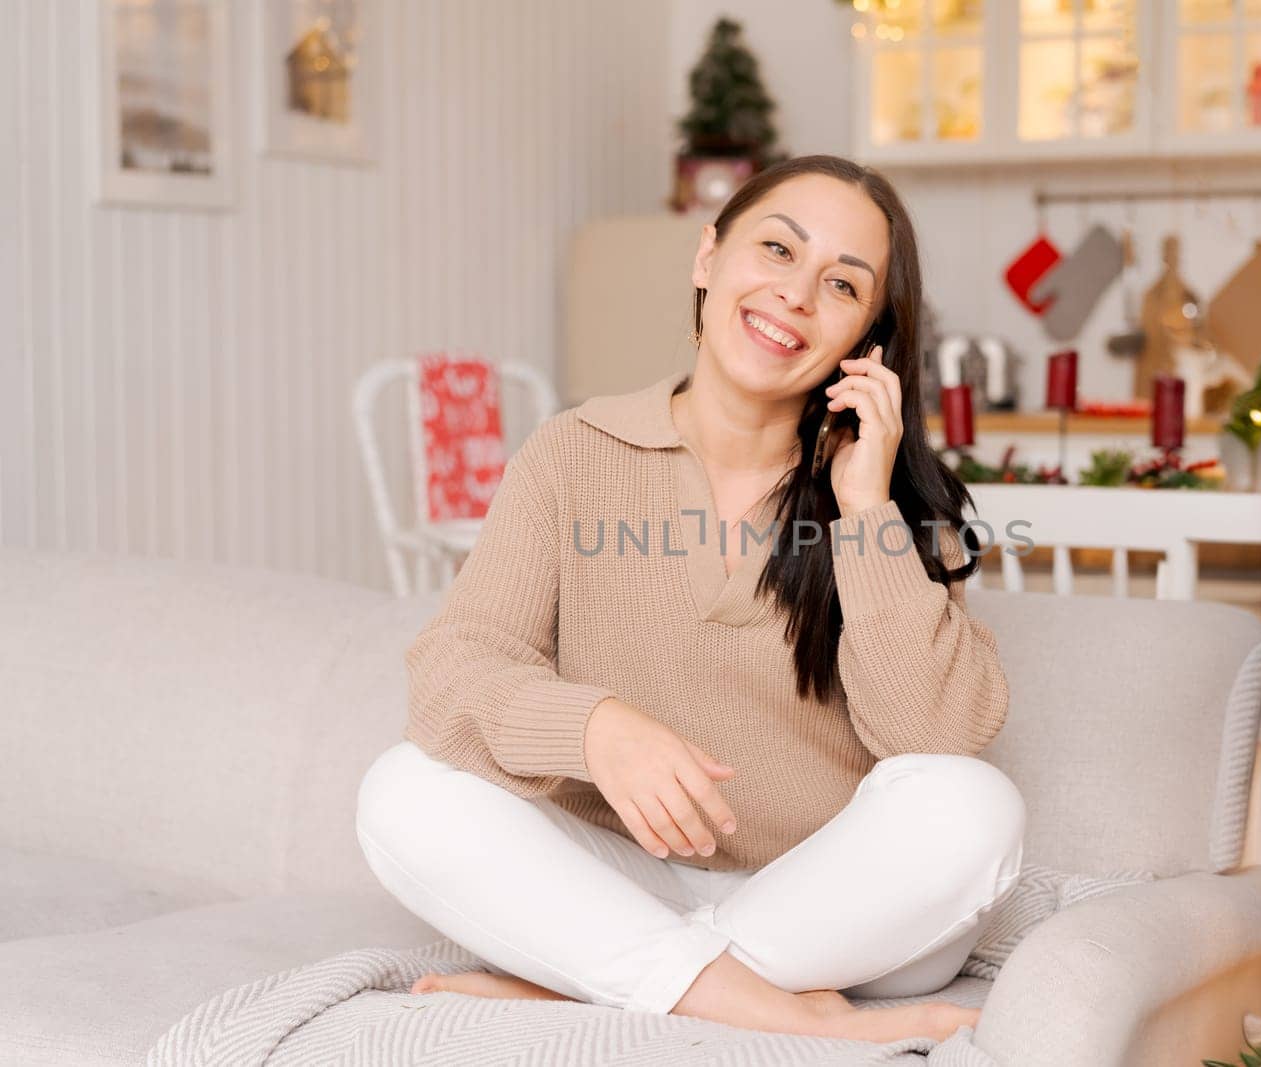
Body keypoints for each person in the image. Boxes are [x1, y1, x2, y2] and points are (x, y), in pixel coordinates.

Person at [355, 154, 1025, 1046]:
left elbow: (933, 732)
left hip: (836, 917)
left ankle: (605, 987)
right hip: (620, 879)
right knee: (403, 789)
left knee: (975, 806)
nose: (794, 294)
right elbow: (454, 667)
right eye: (776, 249)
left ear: (867, 336)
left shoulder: (894, 496)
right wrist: (595, 725)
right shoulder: (573, 454)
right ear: (708, 256)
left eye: (841, 284)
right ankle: (767, 1011)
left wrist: (864, 509)